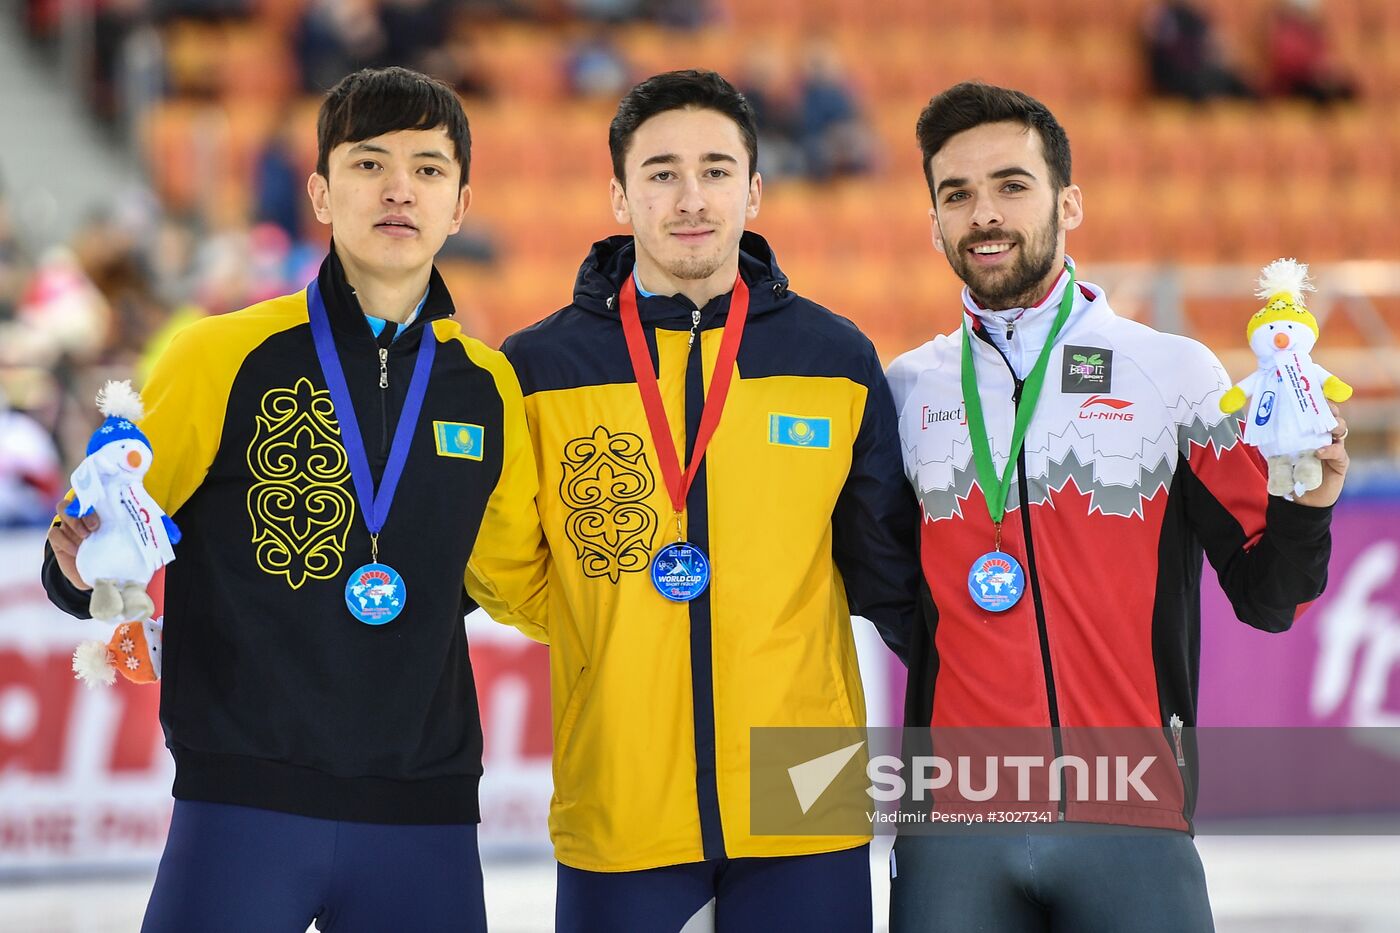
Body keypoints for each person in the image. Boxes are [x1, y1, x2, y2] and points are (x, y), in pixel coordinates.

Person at [42, 66, 547, 933]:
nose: (399, 188)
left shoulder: (488, 387)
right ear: (319, 190)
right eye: (368, 163)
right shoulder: (220, 355)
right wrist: (81, 569)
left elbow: (517, 578)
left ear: (461, 205)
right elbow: (104, 541)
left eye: (430, 169)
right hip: (241, 804)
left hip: (424, 814)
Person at [885, 81, 1345, 932]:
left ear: (1069, 201)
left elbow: (1271, 595)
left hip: (1133, 815)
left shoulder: (1171, 371)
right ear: (936, 221)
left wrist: (1307, 502)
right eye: (958, 194)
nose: (984, 213)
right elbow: (880, 588)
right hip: (952, 826)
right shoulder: (905, 389)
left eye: (1011, 186)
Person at [502, 69, 920, 932]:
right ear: (619, 195)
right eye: (660, 173)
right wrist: (606, 621)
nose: (690, 197)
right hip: (623, 783)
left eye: (716, 170)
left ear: (754, 189)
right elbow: (501, 560)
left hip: (802, 780)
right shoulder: (538, 367)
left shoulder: (834, 356)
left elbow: (885, 566)